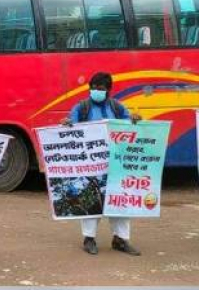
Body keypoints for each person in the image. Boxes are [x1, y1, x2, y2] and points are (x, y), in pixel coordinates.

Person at [61, 71, 142, 256]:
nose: (96, 91)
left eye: (101, 89)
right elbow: (70, 130)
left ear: (108, 90)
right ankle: (89, 239)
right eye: (93, 88)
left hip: (117, 163)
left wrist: (135, 121)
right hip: (91, 165)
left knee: (120, 200)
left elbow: (129, 126)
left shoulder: (117, 107)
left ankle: (120, 240)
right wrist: (65, 124)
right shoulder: (81, 108)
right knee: (91, 199)